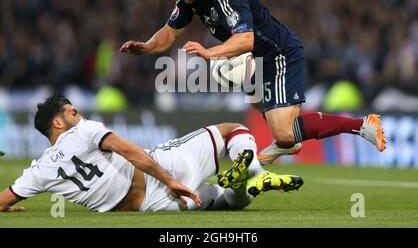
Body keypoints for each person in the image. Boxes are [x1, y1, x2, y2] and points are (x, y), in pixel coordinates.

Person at [120, 0, 386, 165]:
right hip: (255, 58)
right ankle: (287, 139)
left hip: (278, 53)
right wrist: (146, 46)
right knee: (259, 103)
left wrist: (210, 52)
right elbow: (169, 33)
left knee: (282, 131)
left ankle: (363, 125)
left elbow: (246, 39)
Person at [0, 95, 303, 213]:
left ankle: (249, 182)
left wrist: (10, 207)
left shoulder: (39, 172)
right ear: (58, 122)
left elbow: (2, 201)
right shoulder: (83, 130)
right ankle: (255, 171)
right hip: (162, 168)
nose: (78, 115)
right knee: (233, 130)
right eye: (72, 112)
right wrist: (169, 179)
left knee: (228, 203)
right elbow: (128, 149)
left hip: (153, 206)